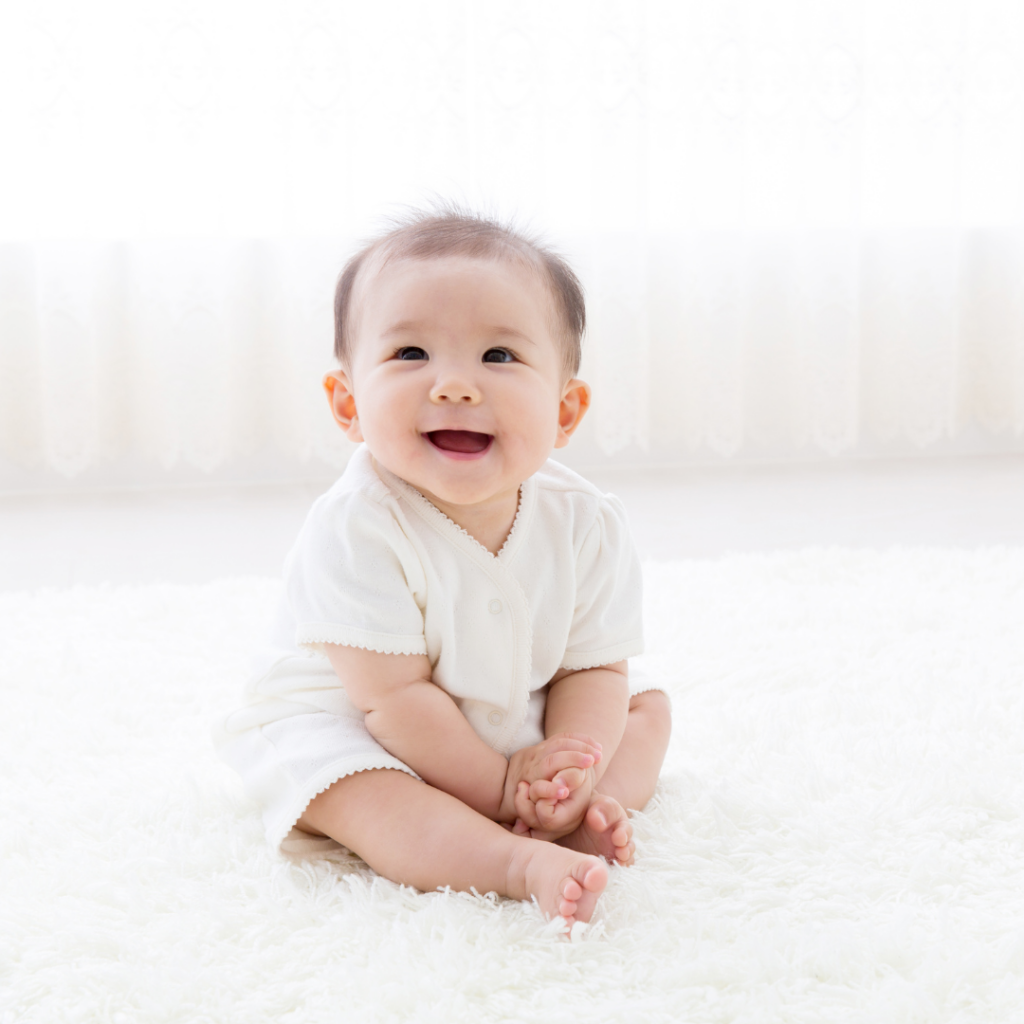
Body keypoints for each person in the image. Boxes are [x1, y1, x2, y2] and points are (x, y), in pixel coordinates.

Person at [214, 208, 671, 925]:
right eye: (410, 355)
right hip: (363, 720)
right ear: (348, 403)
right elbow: (391, 701)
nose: (455, 385)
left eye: (498, 357)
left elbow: (593, 669)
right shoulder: (356, 526)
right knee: (351, 788)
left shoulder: (587, 521)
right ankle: (515, 858)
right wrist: (498, 790)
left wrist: (567, 764)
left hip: (512, 699)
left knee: (643, 709)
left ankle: (579, 809)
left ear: (566, 410)